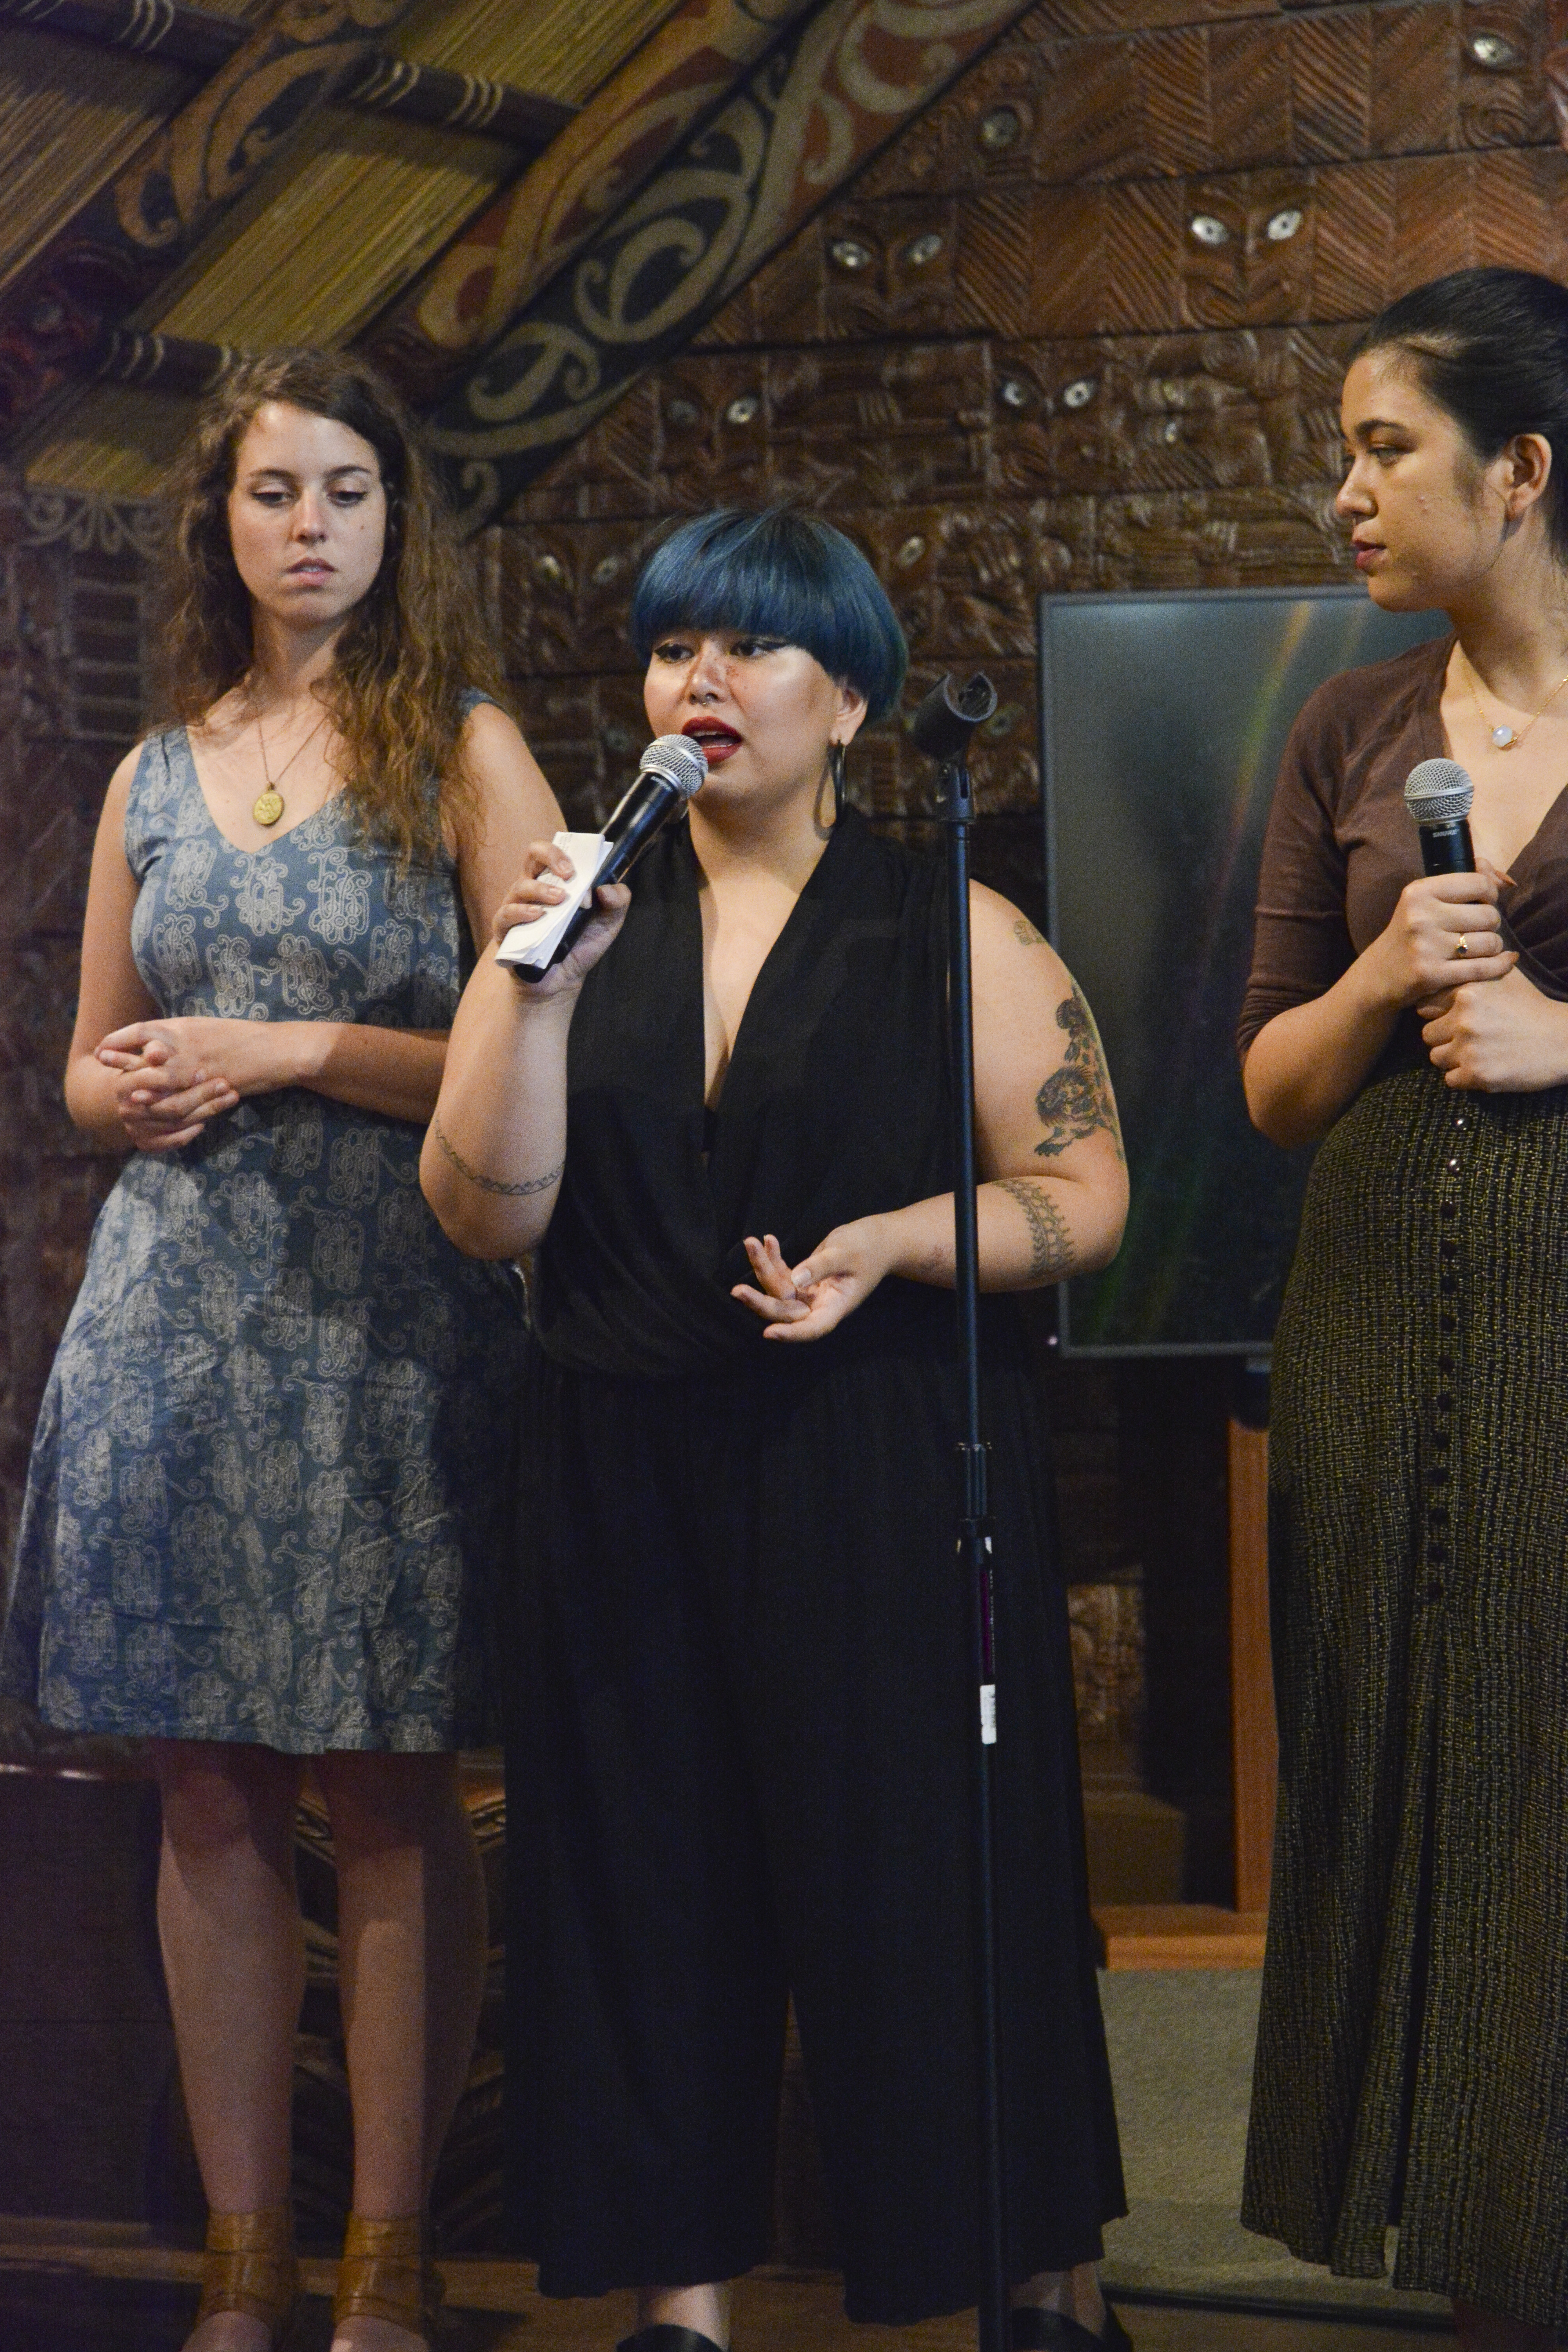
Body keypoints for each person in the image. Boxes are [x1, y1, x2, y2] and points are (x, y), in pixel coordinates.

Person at [420, 506, 1132, 2351]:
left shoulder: (948, 921)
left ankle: (1027, 2280)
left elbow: (1086, 1188)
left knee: (925, 1886)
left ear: (856, 697)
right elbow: (486, 1214)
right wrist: (533, 988)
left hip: (877, 1459)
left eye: (751, 649)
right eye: (673, 650)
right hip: (618, 1465)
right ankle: (686, 2308)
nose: (702, 682)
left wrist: (897, 1242)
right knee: (646, 1895)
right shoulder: (585, 916)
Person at [0, 349, 560, 2352]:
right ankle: (245, 2264)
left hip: (386, 1306)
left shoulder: (469, 751)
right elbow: (78, 1060)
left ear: (397, 523)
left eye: (344, 491)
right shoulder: (157, 768)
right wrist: (124, 1091)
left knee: (386, 1778)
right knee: (208, 1789)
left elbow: (558, 1041)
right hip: (168, 1317)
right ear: (218, 523)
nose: (307, 524)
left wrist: (300, 1050)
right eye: (271, 492)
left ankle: (387, 2263)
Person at [1237, 268, 1568, 2352]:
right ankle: (1466, 2251)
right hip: (1372, 1298)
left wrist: (1562, 1029)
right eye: (1340, 449)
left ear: (1520, 471)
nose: (1342, 490)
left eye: (1385, 449)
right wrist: (1384, 982)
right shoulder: (1350, 729)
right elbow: (1270, 1088)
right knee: (1399, 1745)